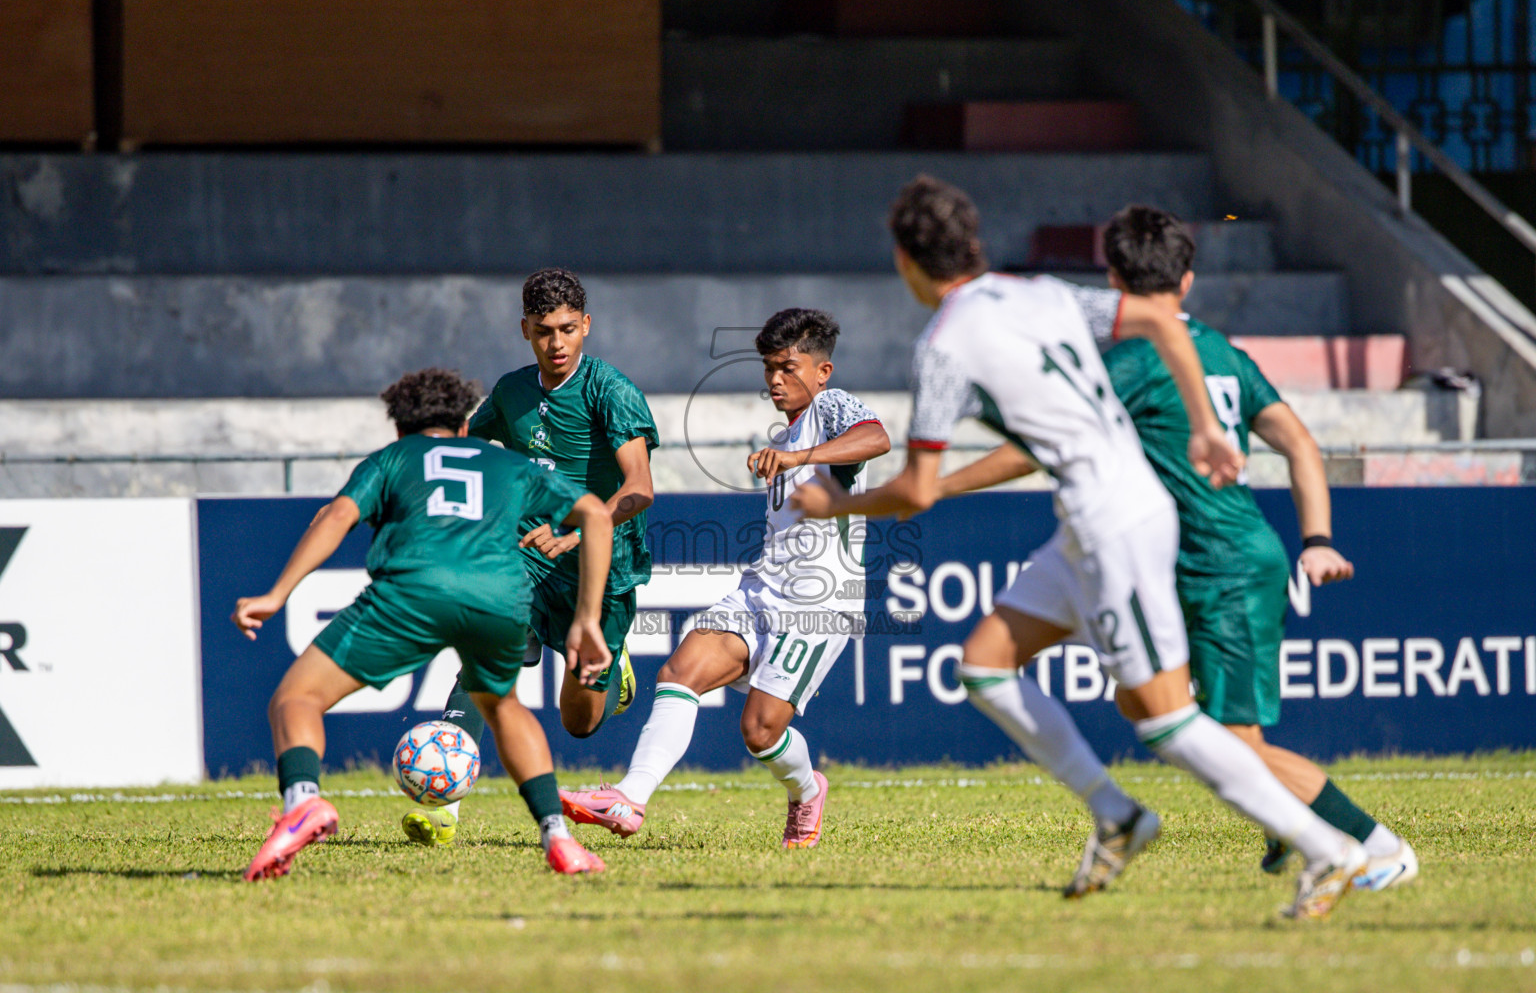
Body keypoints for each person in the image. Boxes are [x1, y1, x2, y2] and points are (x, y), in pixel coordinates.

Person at [791, 175, 1368, 919]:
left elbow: (919, 490)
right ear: (974, 242)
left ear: (906, 261)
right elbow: (1163, 322)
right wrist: (1205, 426)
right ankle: (1117, 815)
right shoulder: (1041, 294)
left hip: (1112, 524)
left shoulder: (942, 347)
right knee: (985, 664)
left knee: (1167, 721)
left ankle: (1329, 849)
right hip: (1094, 517)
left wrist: (836, 503)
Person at [1095, 205, 1416, 890]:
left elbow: (1053, 434)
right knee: (1142, 702)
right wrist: (1316, 540)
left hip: (1226, 567)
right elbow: (1300, 443)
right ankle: (1279, 814)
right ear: (1187, 281)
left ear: (1113, 280)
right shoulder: (1222, 353)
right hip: (1186, 568)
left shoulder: (1131, 360)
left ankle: (1379, 845)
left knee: (1232, 745)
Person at [233, 367, 611, 880]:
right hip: (497, 598)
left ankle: (302, 802)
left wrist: (277, 593)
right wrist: (586, 619)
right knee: (503, 707)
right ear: (464, 426)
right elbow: (596, 515)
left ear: (399, 428)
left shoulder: (393, 458)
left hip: (412, 591)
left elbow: (335, 517)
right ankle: (558, 838)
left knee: (296, 697)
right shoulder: (507, 463)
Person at [561, 308, 890, 848]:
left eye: (788, 367)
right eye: (769, 368)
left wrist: (797, 456)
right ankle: (630, 799)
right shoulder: (789, 433)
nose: (775, 380)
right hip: (761, 590)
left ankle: (808, 791)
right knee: (680, 670)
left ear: (822, 371)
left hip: (819, 603)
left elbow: (876, 438)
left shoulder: (830, 407)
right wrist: (791, 453)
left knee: (760, 731)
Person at [403, 268, 658, 848]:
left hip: (602, 565)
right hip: (525, 551)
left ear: (586, 325)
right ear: (525, 330)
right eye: (544, 331)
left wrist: (576, 531)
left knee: (579, 722)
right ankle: (443, 807)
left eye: (567, 329)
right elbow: (464, 446)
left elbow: (640, 487)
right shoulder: (511, 391)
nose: (556, 343)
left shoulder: (611, 391)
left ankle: (613, 665)